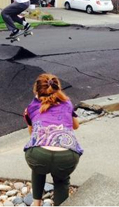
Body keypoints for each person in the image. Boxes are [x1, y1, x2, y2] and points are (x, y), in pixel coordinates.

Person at [23, 73, 83, 206]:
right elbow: (76, 126)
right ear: (57, 88)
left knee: (38, 168)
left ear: (36, 90)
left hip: (39, 155)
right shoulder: (67, 103)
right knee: (61, 180)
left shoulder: (30, 108)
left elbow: (32, 133)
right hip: (67, 155)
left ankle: (36, 203)